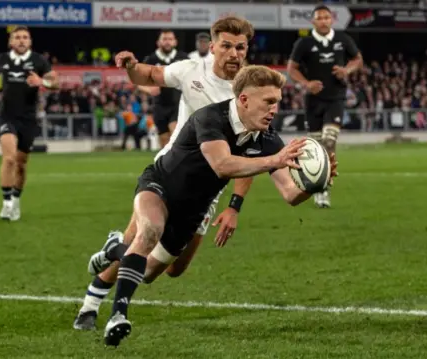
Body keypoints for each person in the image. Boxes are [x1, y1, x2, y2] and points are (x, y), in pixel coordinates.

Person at [103, 65, 338, 347]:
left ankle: (115, 247)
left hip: (193, 209)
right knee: (150, 230)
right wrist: (274, 160)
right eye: (269, 102)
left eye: (277, 101)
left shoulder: (267, 139)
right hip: (161, 184)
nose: (274, 109)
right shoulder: (211, 117)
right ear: (244, 99)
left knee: (151, 272)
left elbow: (289, 193)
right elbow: (222, 164)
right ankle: (118, 316)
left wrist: (314, 185)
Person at [73, 16, 257, 330]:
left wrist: (234, 206)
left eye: (240, 47)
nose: (234, 53)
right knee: (139, 241)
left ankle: (113, 246)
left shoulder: (251, 92)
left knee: (167, 271)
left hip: (206, 195)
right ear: (212, 47)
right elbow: (151, 73)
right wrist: (131, 65)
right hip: (168, 174)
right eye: (226, 45)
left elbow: (249, 156)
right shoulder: (191, 70)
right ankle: (89, 309)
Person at [0, 26, 58, 221]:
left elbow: (55, 82)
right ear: (11, 42)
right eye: (18, 37)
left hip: (29, 120)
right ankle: (6, 204)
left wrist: (42, 82)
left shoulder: (38, 61)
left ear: (30, 42)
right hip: (7, 116)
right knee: (9, 158)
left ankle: (15, 200)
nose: (22, 40)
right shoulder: (2, 60)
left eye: (25, 37)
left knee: (21, 165)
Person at [287, 4, 363, 208]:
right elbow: (291, 68)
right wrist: (306, 84)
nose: (323, 21)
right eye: (319, 18)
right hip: (313, 101)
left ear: (332, 20)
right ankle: (317, 184)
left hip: (336, 98)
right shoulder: (304, 43)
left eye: (326, 17)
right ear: (313, 21)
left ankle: (323, 190)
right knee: (317, 146)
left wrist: (346, 70)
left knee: (329, 141)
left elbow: (357, 59)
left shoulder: (342, 39)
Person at [138, 30, 189, 147]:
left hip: (178, 104)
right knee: (164, 140)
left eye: (170, 39)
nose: (167, 42)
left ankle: (179, 162)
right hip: (159, 106)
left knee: (175, 133)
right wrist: (149, 89)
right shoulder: (151, 60)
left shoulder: (183, 58)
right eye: (164, 39)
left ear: (175, 42)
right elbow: (138, 83)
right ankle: (167, 164)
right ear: (158, 42)